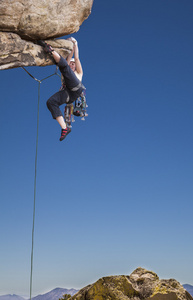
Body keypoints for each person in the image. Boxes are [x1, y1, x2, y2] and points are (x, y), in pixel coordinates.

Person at [38, 38, 85, 141]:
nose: (72, 65)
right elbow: (65, 62)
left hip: (76, 88)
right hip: (69, 94)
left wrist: (75, 45)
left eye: (73, 64)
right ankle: (65, 128)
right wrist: (70, 47)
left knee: (65, 69)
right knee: (50, 102)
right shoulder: (66, 71)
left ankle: (50, 49)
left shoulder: (78, 73)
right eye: (71, 64)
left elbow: (76, 58)